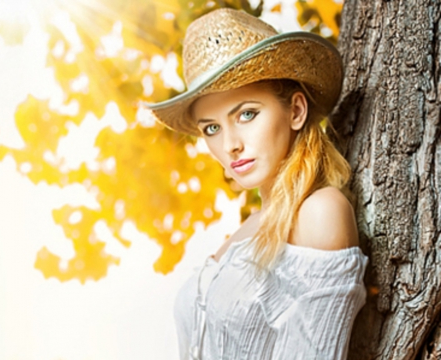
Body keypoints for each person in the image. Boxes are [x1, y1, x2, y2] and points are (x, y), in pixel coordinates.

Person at [143, 7, 369, 360]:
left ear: (296, 111)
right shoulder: (247, 230)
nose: (230, 144)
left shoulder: (320, 214)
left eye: (246, 114)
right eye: (211, 128)